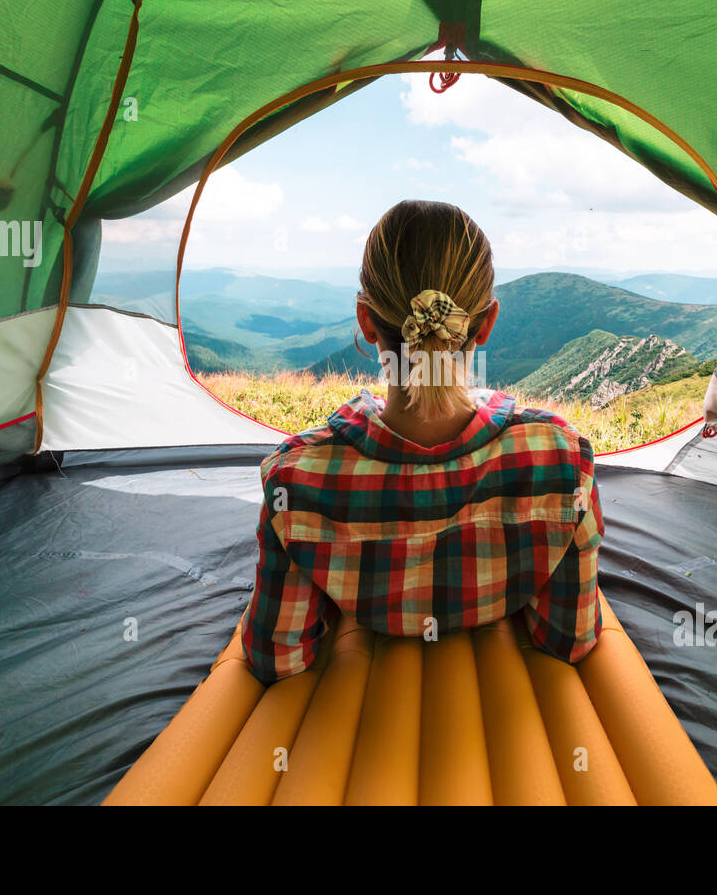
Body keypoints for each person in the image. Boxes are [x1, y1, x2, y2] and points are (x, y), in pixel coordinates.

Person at [236, 200, 604, 684]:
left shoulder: (296, 479)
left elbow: (277, 658)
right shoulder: (561, 459)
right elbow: (570, 640)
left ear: (367, 323)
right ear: (486, 323)